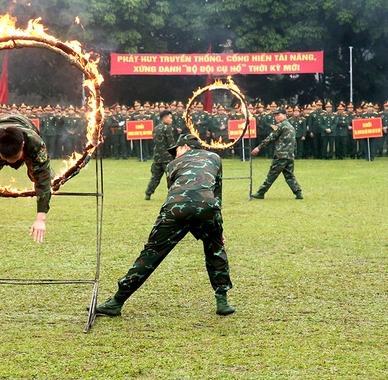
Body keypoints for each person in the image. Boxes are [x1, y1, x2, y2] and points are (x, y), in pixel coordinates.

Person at [93, 134, 235, 317]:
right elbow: (217, 194)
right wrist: (217, 231)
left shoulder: (172, 165)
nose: (174, 154)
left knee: (151, 253)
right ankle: (222, 301)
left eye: (176, 150)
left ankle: (116, 301)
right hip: (207, 207)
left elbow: (176, 192)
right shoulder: (215, 158)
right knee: (215, 250)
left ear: (185, 146)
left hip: (175, 209)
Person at [0, 113, 54, 243]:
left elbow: (42, 180)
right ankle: (3, 159)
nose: (10, 163)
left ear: (22, 145)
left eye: (14, 158)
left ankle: (38, 165)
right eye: (6, 159)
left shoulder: (35, 143)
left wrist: (40, 218)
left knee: (37, 174)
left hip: (26, 124)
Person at [250, 108, 303, 200]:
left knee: (272, 174)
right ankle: (298, 192)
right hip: (289, 155)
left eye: (278, 115)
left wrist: (258, 147)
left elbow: (271, 138)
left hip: (281, 155)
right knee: (289, 175)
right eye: (275, 115)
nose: (276, 117)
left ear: (284, 115)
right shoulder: (290, 126)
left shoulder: (280, 126)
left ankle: (261, 192)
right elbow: (294, 143)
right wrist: (294, 153)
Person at [145, 110, 176, 200]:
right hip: (167, 158)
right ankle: (172, 194)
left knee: (155, 177)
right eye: (170, 118)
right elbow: (171, 144)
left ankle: (148, 193)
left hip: (157, 157)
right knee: (170, 177)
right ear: (164, 118)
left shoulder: (156, 128)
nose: (171, 120)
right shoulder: (168, 128)